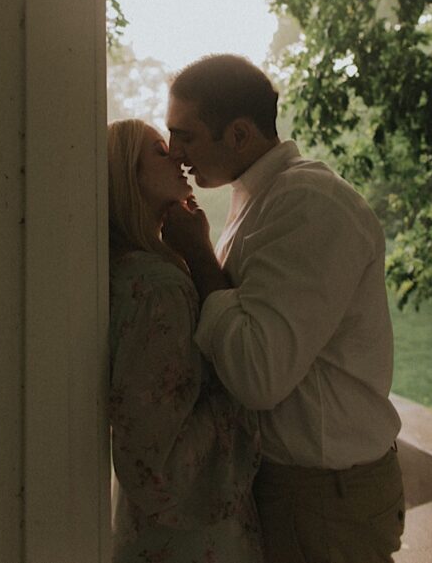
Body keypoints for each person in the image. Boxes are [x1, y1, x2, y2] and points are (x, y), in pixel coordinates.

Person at [161, 54, 405, 562]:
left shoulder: (308, 203)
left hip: (323, 500)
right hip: (301, 491)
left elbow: (257, 375)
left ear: (240, 135)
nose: (175, 152)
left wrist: (199, 255)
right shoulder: (261, 198)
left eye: (185, 135)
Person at [107, 119, 262, 562]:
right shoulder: (159, 286)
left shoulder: (126, 268)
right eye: (159, 150)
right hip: (191, 534)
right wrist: (241, 392)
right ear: (126, 176)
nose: (177, 155)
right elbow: (154, 451)